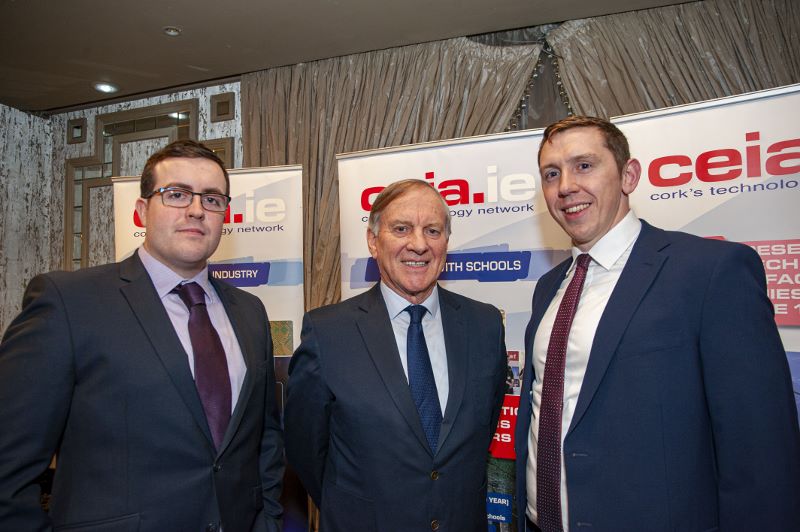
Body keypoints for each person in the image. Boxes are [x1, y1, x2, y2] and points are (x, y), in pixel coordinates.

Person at [514, 116, 800, 532]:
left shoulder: (710, 272)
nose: (566, 186)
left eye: (584, 166)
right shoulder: (548, 288)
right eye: (551, 174)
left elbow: (762, 454)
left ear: (629, 176)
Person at [0, 140, 284, 531]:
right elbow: (9, 469)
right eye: (177, 194)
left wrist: (266, 519)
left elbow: (264, 440)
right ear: (141, 211)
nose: (197, 209)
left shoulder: (249, 313)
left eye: (213, 199)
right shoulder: (69, 303)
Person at [285, 179, 507, 531]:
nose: (418, 245)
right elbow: (306, 449)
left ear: (446, 243)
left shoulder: (485, 325)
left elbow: (484, 426)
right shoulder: (328, 333)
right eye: (401, 229)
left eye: (432, 230)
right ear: (373, 241)